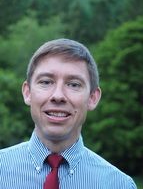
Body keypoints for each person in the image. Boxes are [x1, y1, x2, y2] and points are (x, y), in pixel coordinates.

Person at [0, 39, 137, 189]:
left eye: (73, 84)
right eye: (46, 82)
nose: (58, 96)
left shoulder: (118, 184)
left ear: (92, 98)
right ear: (28, 93)